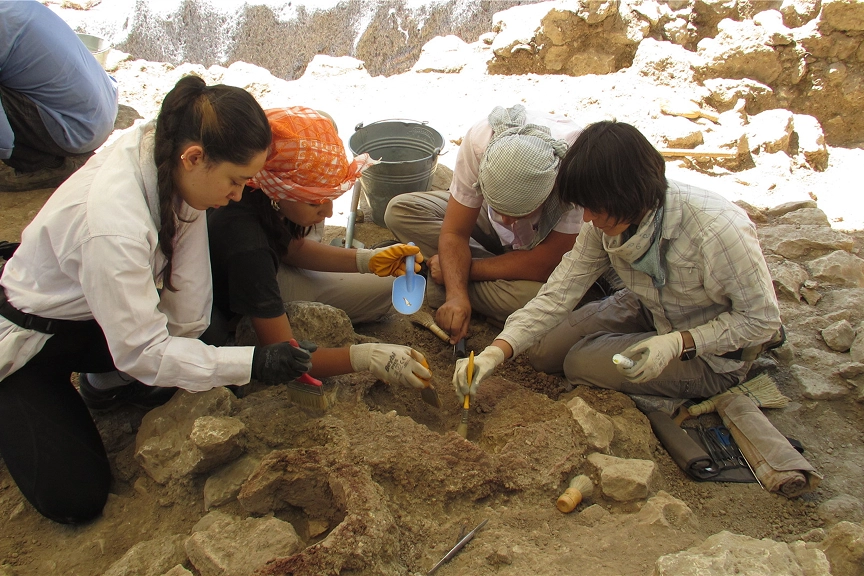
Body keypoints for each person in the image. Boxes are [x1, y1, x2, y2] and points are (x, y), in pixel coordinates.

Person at [0, 76, 321, 525]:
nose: (239, 194)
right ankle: (31, 394)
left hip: (95, 310)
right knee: (75, 498)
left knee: (206, 334)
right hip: (36, 336)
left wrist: (213, 355)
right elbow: (144, 352)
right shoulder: (113, 225)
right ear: (195, 158)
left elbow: (188, 309)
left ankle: (102, 381)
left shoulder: (170, 152)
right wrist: (253, 364)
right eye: (235, 180)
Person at [453, 120, 783, 403]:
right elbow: (560, 291)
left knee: (579, 364)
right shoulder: (603, 222)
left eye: (595, 208)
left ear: (629, 195)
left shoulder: (718, 230)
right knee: (541, 351)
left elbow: (763, 321)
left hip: (713, 352)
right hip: (649, 304)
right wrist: (495, 352)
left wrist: (678, 343)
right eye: (584, 207)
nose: (588, 219)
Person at [206, 106, 432, 388]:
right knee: (388, 290)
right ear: (281, 194)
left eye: (330, 197)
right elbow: (283, 355)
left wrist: (368, 259)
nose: (327, 211)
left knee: (401, 277)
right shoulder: (248, 244)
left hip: (270, 263)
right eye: (315, 201)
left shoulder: (265, 188)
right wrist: (365, 356)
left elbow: (294, 249)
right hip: (245, 295)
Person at [384, 104, 584, 344]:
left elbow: (547, 264)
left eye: (519, 213)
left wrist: (465, 270)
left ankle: (442, 278)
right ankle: (467, 280)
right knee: (400, 211)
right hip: (493, 232)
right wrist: (457, 296)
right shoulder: (480, 143)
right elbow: (455, 232)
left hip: (544, 255)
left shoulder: (577, 167)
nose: (507, 221)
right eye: (500, 208)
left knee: (549, 298)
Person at [0, 0, 119, 192]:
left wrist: (5, 152)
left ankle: (41, 164)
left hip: (77, 129)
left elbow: (3, 141)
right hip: (101, 108)